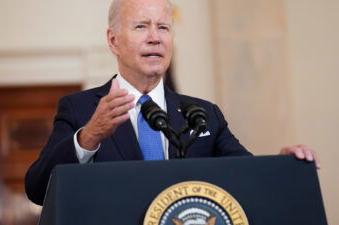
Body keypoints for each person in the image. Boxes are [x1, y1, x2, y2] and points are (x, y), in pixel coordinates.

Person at [25, 0, 320, 206]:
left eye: (163, 28)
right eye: (141, 27)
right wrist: (88, 138)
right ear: (113, 40)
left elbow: (247, 177)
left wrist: (283, 164)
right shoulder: (80, 110)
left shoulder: (204, 114)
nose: (155, 38)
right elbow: (38, 189)